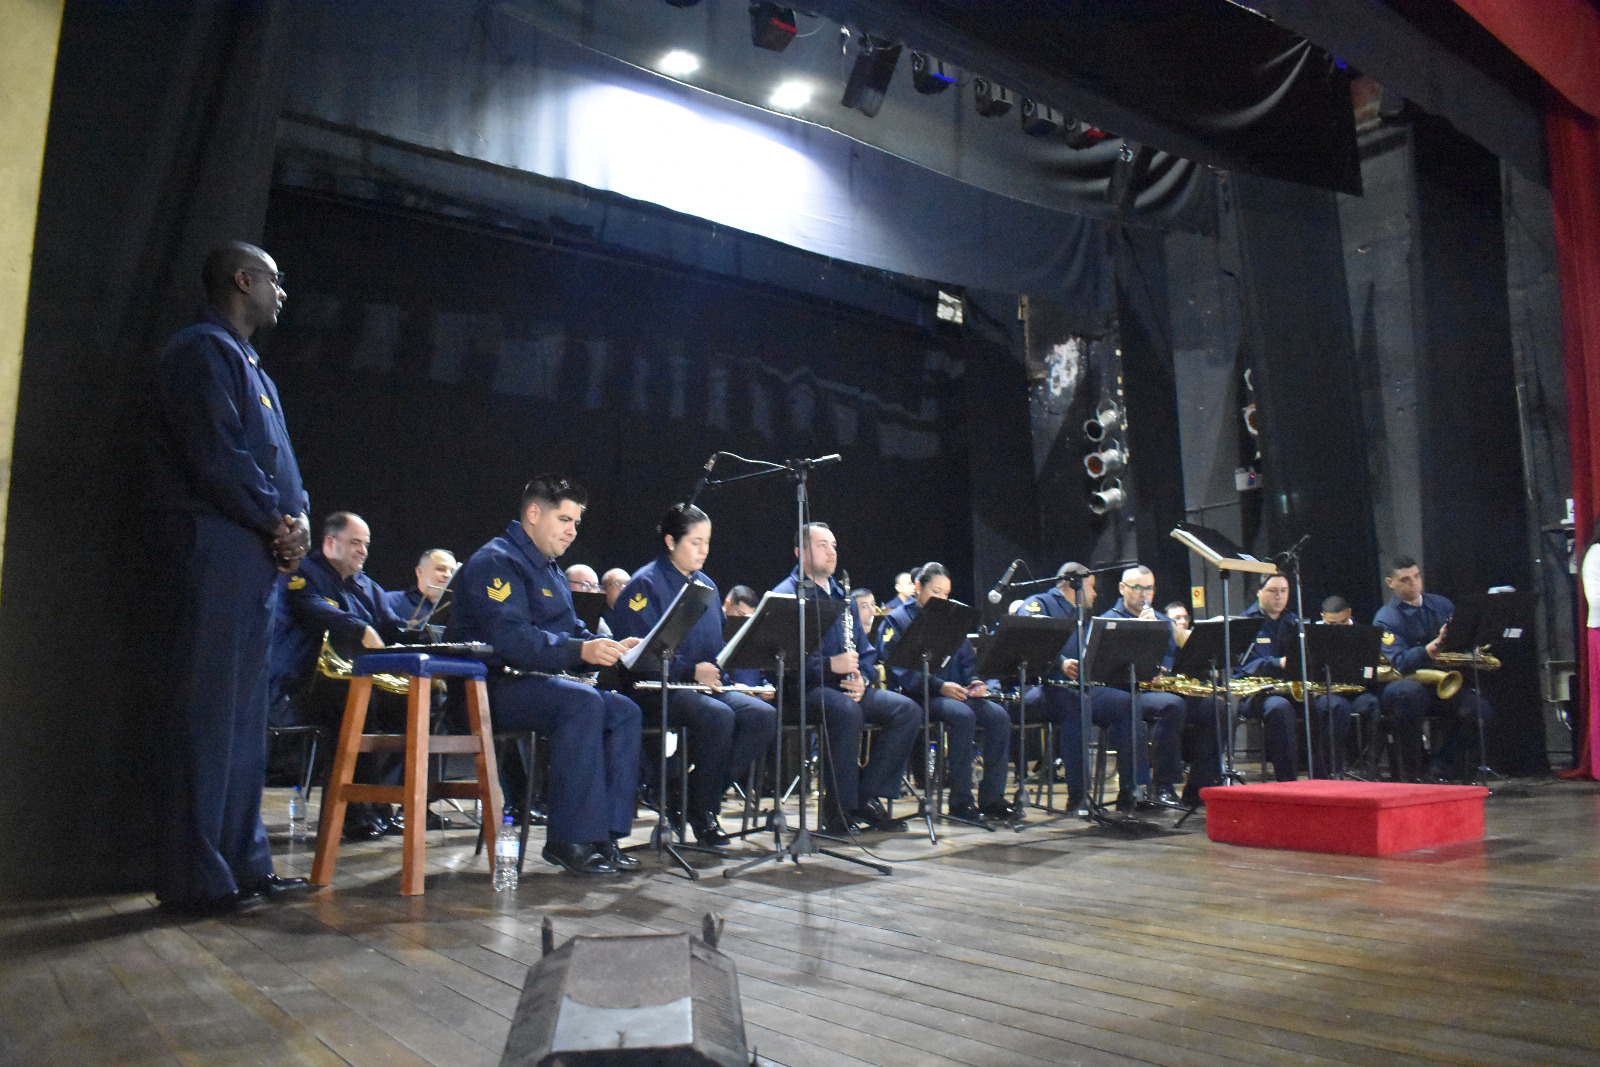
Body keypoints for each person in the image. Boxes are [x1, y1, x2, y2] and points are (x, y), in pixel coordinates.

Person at [149, 241, 310, 916]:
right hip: (216, 546)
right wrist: (276, 517)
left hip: (257, 561)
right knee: (208, 716)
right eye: (275, 280)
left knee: (246, 722)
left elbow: (279, 466)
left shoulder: (255, 369)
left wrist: (297, 519)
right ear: (242, 280)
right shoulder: (201, 351)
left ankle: (244, 864)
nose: (282, 294)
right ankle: (195, 877)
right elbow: (218, 452)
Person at [446, 475, 643, 875]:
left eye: (576, 523)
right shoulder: (495, 561)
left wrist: (610, 647)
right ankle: (568, 840)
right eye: (565, 520)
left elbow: (569, 632)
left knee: (624, 710)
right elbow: (513, 640)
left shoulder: (550, 569)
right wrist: (579, 650)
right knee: (582, 703)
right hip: (488, 686)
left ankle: (604, 836)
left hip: (534, 684)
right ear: (534, 514)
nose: (572, 531)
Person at [610, 505, 779, 845]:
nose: (704, 550)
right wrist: (690, 669)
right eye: (695, 542)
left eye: (707, 542)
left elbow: (714, 650)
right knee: (717, 717)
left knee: (762, 716)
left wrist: (730, 678)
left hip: (699, 686)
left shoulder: (707, 585)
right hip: (653, 689)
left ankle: (684, 796)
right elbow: (638, 658)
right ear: (672, 541)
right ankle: (702, 812)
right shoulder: (645, 585)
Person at [269, 512, 414, 838]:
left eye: (366, 544)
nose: (363, 550)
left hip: (360, 682)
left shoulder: (371, 589)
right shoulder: (303, 571)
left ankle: (387, 804)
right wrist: (359, 628)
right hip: (303, 685)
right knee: (358, 700)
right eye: (355, 542)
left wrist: (435, 637)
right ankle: (353, 811)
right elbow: (311, 608)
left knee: (421, 700)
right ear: (330, 542)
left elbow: (396, 630)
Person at [773, 523, 921, 833]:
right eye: (822, 545)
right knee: (846, 711)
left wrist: (864, 678)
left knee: (907, 710)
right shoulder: (786, 595)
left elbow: (866, 652)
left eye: (834, 545)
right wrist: (830, 665)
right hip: (805, 688)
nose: (831, 551)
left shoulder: (843, 596)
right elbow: (781, 658)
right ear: (800, 553)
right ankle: (837, 807)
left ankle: (866, 796)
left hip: (845, 686)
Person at [880, 563, 1015, 823]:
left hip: (955, 693)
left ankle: (992, 798)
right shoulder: (897, 619)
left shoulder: (952, 617)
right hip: (921, 695)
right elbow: (899, 668)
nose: (942, 599)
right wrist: (939, 686)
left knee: (999, 716)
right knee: (962, 716)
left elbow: (966, 662)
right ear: (918, 588)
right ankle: (961, 801)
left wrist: (976, 682)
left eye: (946, 593)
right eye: (936, 591)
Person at [1014, 563, 1142, 812]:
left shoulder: (1080, 615)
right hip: (1038, 688)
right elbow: (1027, 640)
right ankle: (1079, 796)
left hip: (1075, 689)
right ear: (1075, 585)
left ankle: (1131, 790)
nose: (1095, 594)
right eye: (1091, 587)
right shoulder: (1039, 604)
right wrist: (1060, 663)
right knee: (1075, 703)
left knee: (1125, 701)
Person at [1374, 557, 1493, 781]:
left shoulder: (1442, 605)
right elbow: (1399, 662)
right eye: (1405, 579)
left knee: (1480, 710)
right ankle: (1413, 772)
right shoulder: (1386, 619)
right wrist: (1434, 646)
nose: (1414, 583)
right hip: (1403, 683)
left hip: (1440, 682)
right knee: (1410, 694)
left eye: (1416, 576)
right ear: (1391, 582)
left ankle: (1441, 766)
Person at [1099, 566, 1189, 806]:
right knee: (1172, 706)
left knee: (1212, 706)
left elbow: (1171, 656)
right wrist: (1142, 633)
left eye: (1148, 588)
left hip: (1157, 690)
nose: (1144, 594)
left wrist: (1163, 670)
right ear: (1122, 588)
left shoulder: (1163, 620)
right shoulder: (1110, 620)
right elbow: (1105, 667)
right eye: (1137, 588)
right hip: (1124, 691)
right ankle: (1153, 787)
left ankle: (1199, 785)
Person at [383, 548, 457, 630]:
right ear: (420, 572)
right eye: (440, 569)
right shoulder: (390, 601)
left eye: (452, 572)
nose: (448, 575)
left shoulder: (458, 609)